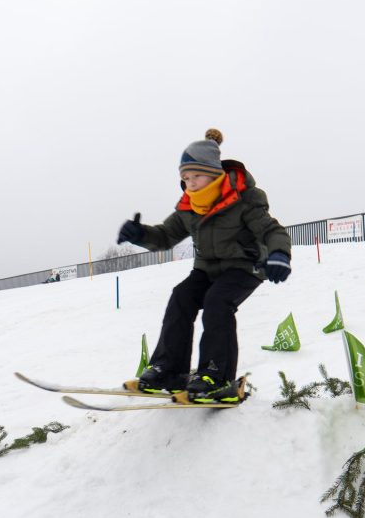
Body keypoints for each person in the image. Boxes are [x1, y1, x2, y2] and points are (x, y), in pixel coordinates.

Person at [116, 128, 292, 403]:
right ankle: (168, 371)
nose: (190, 183)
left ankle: (215, 375)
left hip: (244, 267)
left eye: (195, 176)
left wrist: (279, 254)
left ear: (214, 173)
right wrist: (140, 235)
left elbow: (271, 230)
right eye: (185, 178)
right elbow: (165, 236)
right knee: (181, 297)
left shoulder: (245, 198)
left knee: (217, 302)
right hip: (207, 270)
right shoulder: (189, 206)